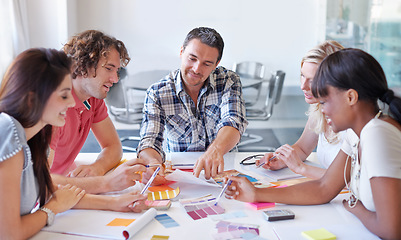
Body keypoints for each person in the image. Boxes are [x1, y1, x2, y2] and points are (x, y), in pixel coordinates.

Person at [225, 48, 401, 239]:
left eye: (325, 101)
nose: (323, 110)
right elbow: (324, 188)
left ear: (351, 97)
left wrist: (356, 207)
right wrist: (256, 193)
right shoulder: (356, 133)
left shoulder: (377, 134)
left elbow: (391, 230)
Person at [0, 48, 147, 239]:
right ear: (32, 99)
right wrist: (51, 210)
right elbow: (10, 233)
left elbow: (53, 191)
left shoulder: (35, 137)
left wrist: (116, 203)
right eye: (63, 95)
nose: (71, 103)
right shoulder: (9, 133)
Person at [137, 27, 248, 179]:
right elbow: (150, 140)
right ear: (181, 52)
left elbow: (234, 121)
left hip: (223, 167)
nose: (196, 69)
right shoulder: (157, 92)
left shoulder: (229, 80)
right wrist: (152, 164)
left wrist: (215, 150)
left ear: (216, 64)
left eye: (207, 63)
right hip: (180, 173)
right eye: (192, 58)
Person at [49, 30, 143, 194]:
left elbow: (113, 146)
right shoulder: (53, 106)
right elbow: (40, 181)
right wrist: (104, 183)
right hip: (42, 197)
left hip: (67, 185)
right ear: (83, 65)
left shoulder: (93, 99)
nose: (115, 79)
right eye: (109, 69)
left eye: (117, 71)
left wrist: (97, 168)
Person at [257, 40, 345, 179]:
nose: (303, 86)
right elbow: (303, 148)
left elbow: (346, 179)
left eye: (312, 80)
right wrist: (282, 160)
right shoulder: (318, 109)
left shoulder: (352, 121)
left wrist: (300, 167)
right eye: (302, 76)